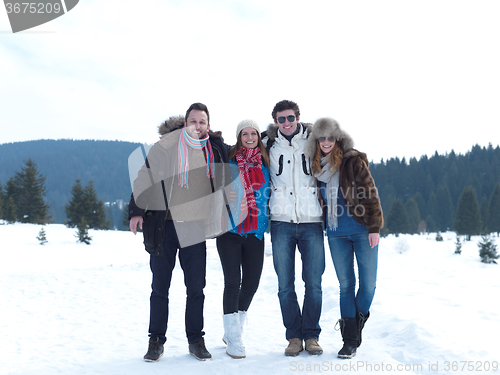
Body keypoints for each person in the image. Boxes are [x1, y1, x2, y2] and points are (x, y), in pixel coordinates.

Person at [128, 103, 229, 362]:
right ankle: (156, 340)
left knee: (196, 288)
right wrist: (136, 211)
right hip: (165, 226)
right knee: (160, 287)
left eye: (202, 122)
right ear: (185, 124)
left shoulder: (215, 149)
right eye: (193, 121)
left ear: (208, 125)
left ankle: (196, 339)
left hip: (194, 226)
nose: (197, 126)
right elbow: (144, 177)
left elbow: (246, 146)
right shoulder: (166, 147)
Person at [304, 117, 383, 359]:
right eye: (321, 138)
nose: (326, 142)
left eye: (330, 137)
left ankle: (355, 327)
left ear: (337, 139)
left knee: (368, 285)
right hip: (336, 234)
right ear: (316, 142)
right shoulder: (317, 168)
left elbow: (370, 193)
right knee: (346, 286)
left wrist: (374, 227)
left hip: (361, 230)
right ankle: (349, 341)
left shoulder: (352, 161)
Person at [261, 100, 325, 356]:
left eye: (290, 118)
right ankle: (294, 337)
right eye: (281, 119)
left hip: (311, 221)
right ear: (275, 122)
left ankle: (311, 336)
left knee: (314, 282)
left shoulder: (313, 141)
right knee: (285, 284)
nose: (286, 123)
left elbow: (337, 156)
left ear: (298, 117)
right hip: (281, 221)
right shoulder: (268, 144)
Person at [216, 119, 270, 359]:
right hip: (230, 232)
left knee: (251, 284)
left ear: (259, 136)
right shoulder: (228, 164)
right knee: (232, 283)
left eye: (253, 133)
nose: (249, 137)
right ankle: (234, 338)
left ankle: (234, 329)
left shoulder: (265, 166)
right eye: (244, 134)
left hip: (256, 233)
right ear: (238, 138)